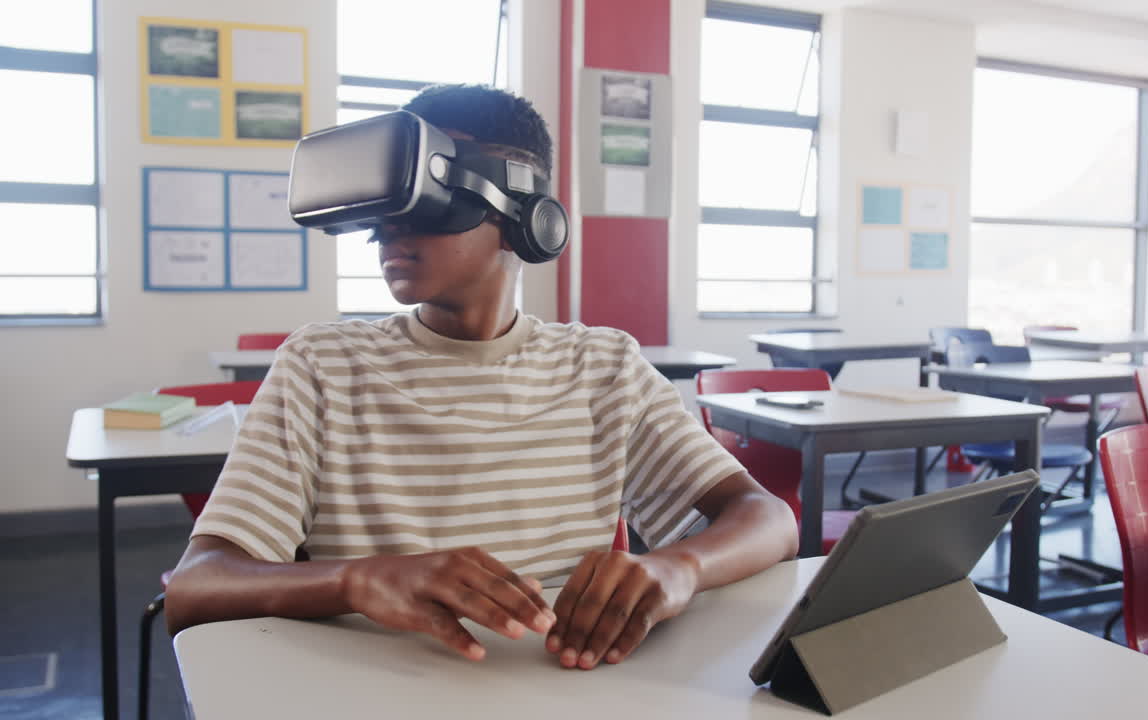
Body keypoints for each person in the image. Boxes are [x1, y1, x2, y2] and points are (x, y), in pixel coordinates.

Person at [164, 83, 798, 671]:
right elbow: (194, 588)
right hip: (374, 687)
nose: (390, 229)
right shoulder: (323, 366)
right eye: (387, 207)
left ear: (525, 215)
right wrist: (357, 578)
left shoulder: (603, 368)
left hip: (561, 684)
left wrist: (677, 568)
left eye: (429, 201)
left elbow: (767, 519)